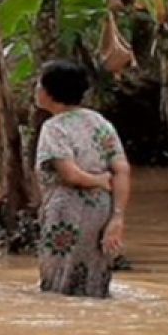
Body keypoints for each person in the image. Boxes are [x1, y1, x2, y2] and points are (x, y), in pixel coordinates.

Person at [34, 60, 131, 298]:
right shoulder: (101, 124)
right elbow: (122, 170)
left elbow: (69, 174)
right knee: (95, 283)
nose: (36, 89)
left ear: (49, 93)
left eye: (38, 84)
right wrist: (117, 217)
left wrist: (97, 181)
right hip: (102, 212)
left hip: (66, 213)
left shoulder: (54, 128)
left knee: (57, 284)